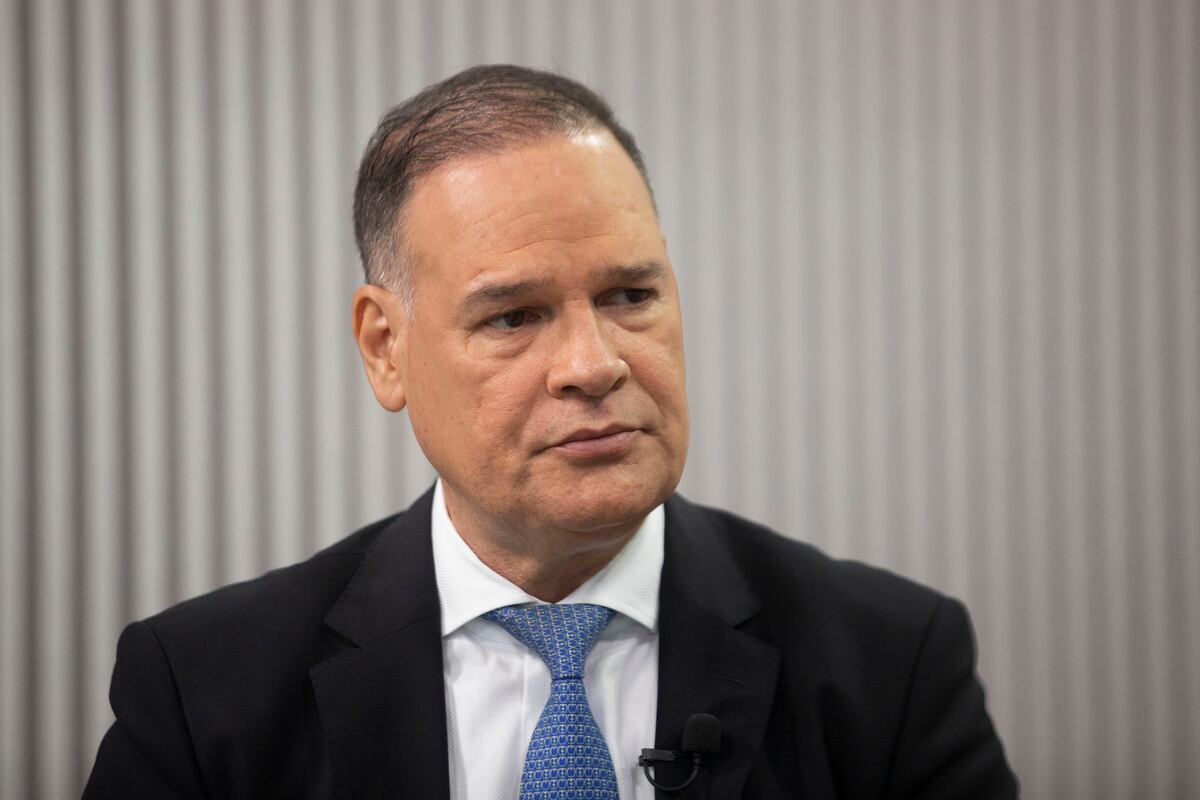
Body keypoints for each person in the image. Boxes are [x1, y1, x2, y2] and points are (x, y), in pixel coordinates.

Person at [84, 65, 1018, 799]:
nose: (593, 363)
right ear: (385, 348)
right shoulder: (204, 692)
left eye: (630, 295)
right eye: (513, 316)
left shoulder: (891, 665)